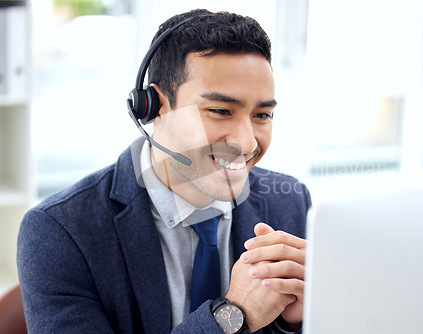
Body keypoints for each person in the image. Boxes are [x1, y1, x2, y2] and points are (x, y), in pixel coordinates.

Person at [17, 9, 311, 334]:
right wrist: (232, 315)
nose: (245, 143)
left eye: (262, 115)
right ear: (155, 107)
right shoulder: (60, 231)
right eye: (220, 111)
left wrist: (297, 321)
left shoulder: (292, 203)